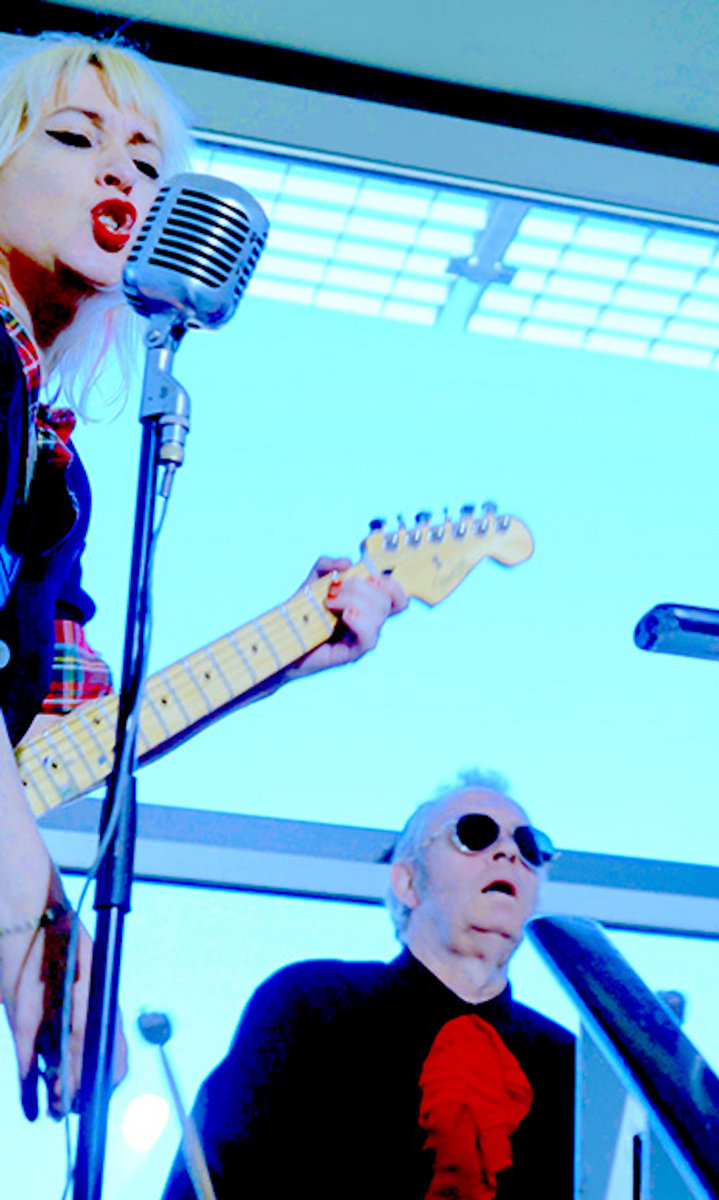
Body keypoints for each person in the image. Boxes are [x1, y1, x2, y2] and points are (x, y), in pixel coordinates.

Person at [0, 35, 407, 1124]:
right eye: (75, 138)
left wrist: (285, 650)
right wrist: (36, 933)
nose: (121, 176)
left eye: (146, 165)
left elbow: (54, 743)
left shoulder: (53, 467)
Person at [161, 769, 575, 1200]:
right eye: (475, 834)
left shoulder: (569, 1066)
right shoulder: (309, 1003)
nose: (509, 852)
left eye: (529, 845)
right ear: (408, 882)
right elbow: (216, 1168)